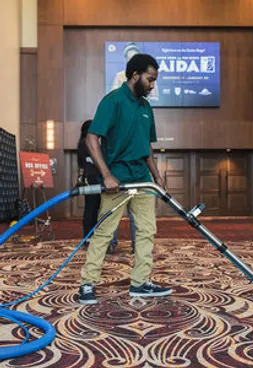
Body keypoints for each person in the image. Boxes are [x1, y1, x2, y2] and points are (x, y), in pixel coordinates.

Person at [79, 53, 172, 305]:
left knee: (146, 231)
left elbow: (147, 147)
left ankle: (140, 282)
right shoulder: (113, 101)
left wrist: (157, 178)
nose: (153, 85)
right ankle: (87, 283)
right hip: (117, 180)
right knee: (105, 232)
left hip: (142, 180)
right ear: (134, 76)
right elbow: (91, 139)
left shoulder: (145, 107)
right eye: (150, 80)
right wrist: (106, 175)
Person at [77, 120, 135, 254]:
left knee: (100, 209)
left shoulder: (97, 144)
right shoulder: (86, 144)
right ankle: (91, 238)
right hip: (93, 180)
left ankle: (101, 240)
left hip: (102, 179)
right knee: (92, 209)